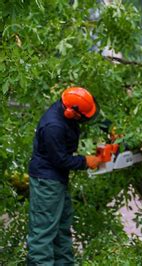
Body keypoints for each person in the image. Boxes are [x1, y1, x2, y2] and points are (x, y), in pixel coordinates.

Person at [27, 87, 102, 265]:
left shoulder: (71, 107)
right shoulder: (54, 126)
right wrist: (85, 162)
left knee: (61, 228)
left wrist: (110, 130)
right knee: (43, 232)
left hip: (57, 180)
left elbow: (91, 115)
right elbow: (60, 160)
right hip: (47, 181)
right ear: (71, 112)